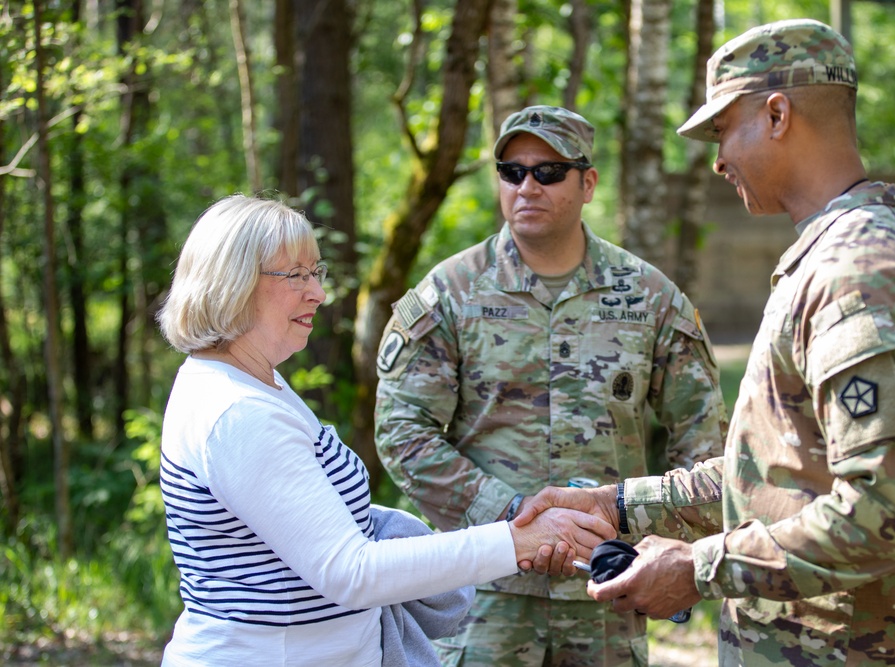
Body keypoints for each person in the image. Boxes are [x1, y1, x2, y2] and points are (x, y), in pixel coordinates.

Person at [517, 18, 895, 665]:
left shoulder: (858, 272)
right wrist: (616, 503)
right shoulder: (829, 260)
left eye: (722, 129)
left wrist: (700, 567)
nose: (717, 159)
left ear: (778, 114)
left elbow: (884, 511)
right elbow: (768, 476)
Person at [155, 194, 615, 667]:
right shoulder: (238, 413)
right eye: (295, 275)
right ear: (232, 283)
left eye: (317, 273)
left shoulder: (253, 381)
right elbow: (351, 572)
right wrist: (516, 541)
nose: (317, 293)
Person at [373, 105, 728, 666]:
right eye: (511, 172)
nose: (526, 187)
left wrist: (652, 534)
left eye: (548, 172)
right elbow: (402, 433)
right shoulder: (450, 295)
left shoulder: (649, 298)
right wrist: (509, 514)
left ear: (587, 182)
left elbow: (703, 441)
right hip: (484, 590)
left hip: (607, 590)